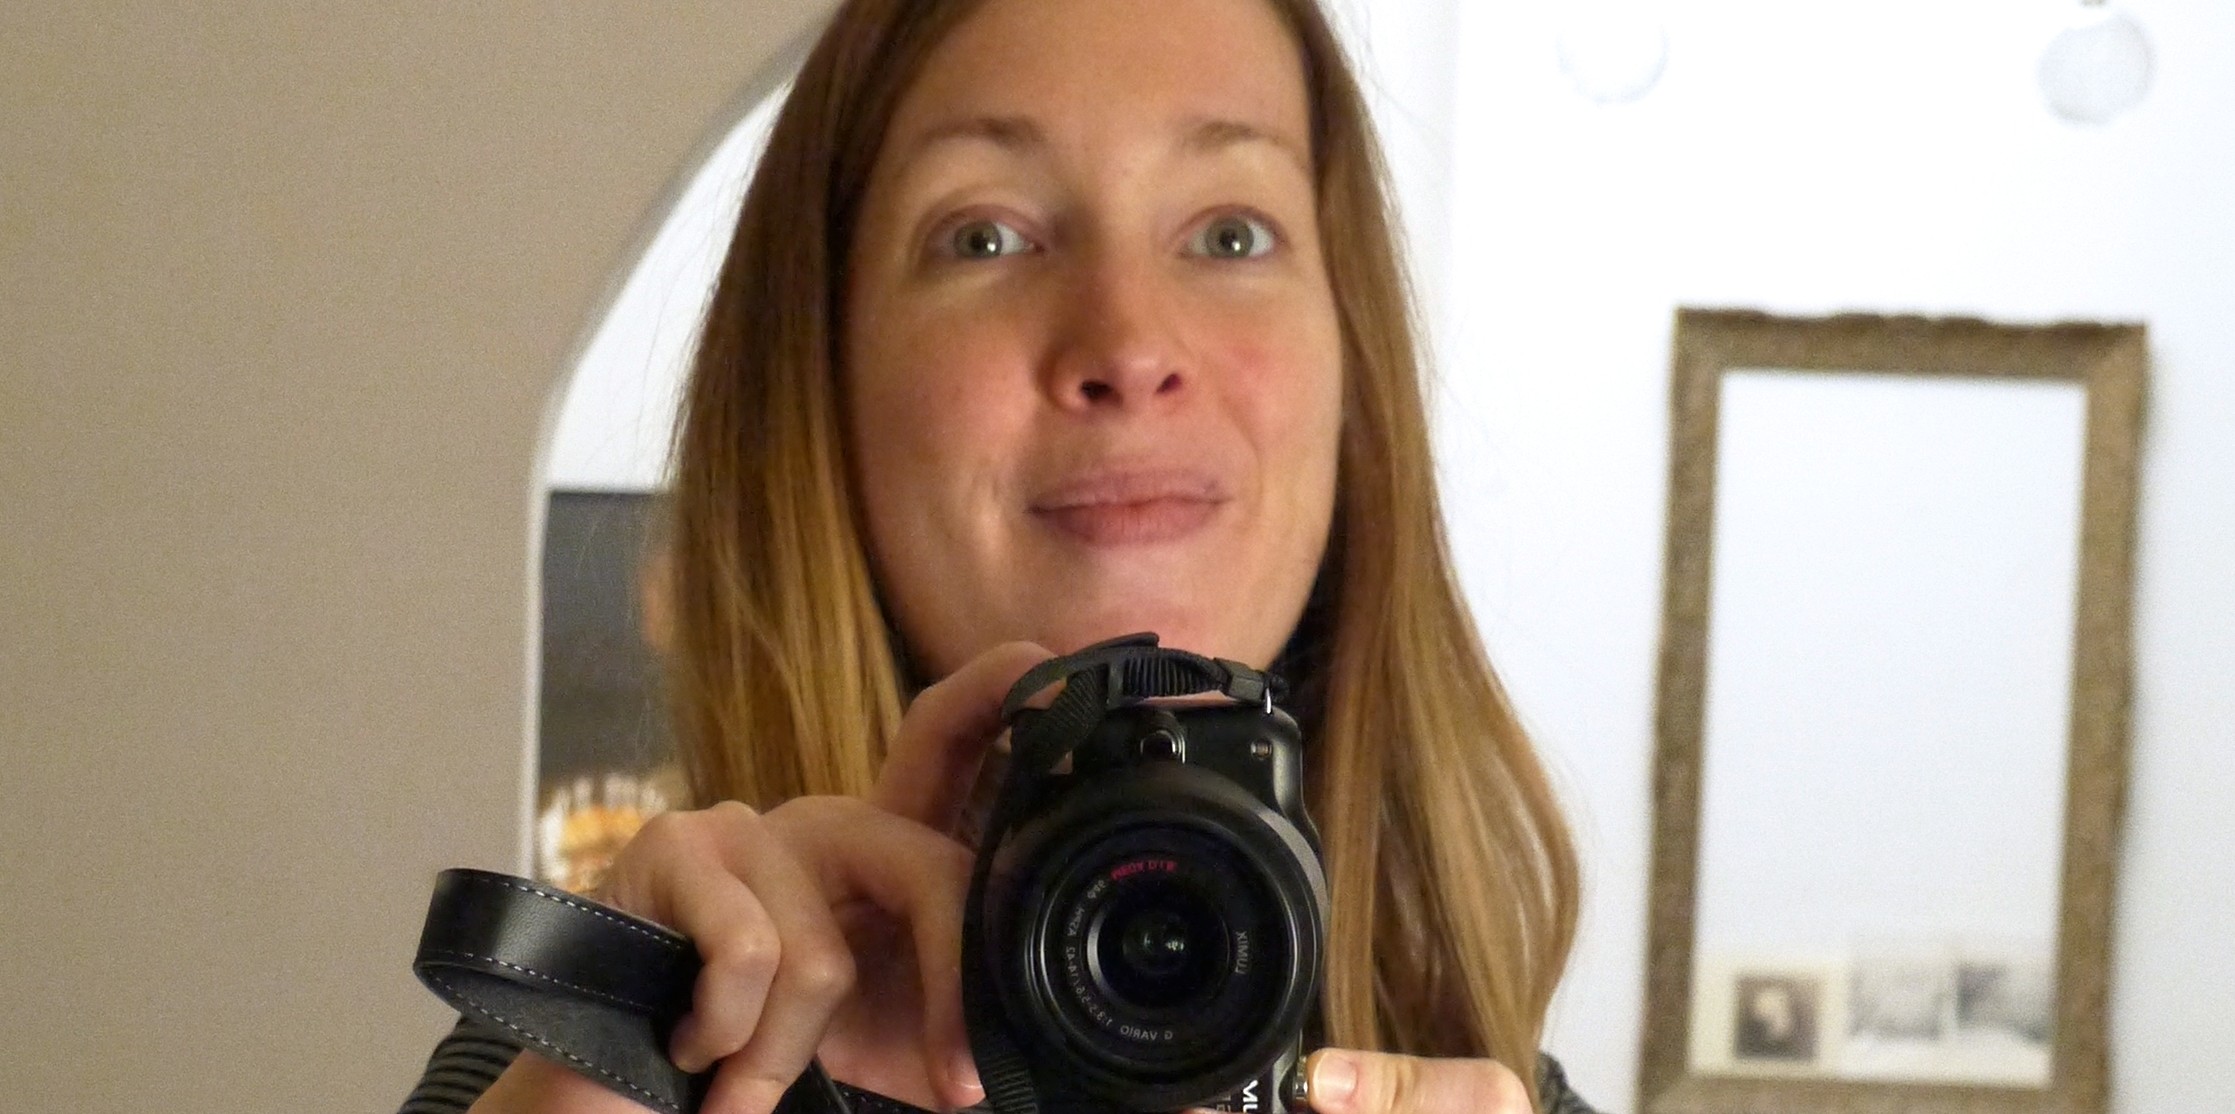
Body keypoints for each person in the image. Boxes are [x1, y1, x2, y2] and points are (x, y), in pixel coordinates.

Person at [401, 0, 1595, 1112]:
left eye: (1230, 233)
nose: (1129, 345)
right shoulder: (598, 1065)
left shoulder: (1500, 1090)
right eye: (987, 235)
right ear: (822, 375)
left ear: (1351, 369)